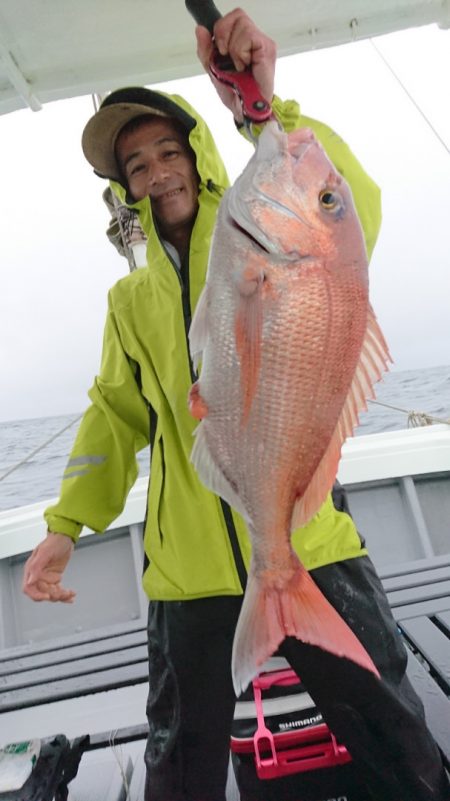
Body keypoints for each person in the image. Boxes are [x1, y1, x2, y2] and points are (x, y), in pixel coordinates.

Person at [22, 9, 450, 801]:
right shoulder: (129, 300)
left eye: (168, 151)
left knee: (399, 743)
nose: (157, 172)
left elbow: (345, 202)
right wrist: (63, 525)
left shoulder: (261, 231)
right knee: (179, 768)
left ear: (200, 157)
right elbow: (113, 416)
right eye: (137, 164)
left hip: (308, 538)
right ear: (126, 188)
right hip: (186, 573)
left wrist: (263, 105)